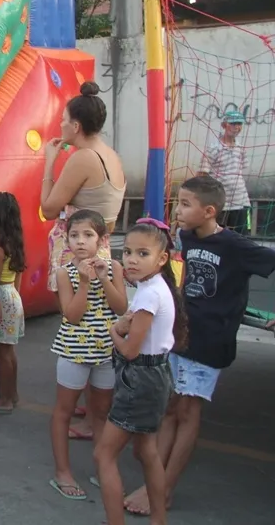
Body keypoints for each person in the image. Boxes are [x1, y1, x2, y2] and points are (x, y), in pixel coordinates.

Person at [123, 176, 275, 517]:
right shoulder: (187, 237)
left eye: (186, 204)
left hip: (212, 341)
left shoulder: (237, 246)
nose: (179, 209)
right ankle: (154, 481)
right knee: (170, 408)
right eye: (179, 202)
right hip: (184, 335)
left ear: (209, 211)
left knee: (189, 412)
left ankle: (164, 489)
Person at [42, 81, 126, 441]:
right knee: (96, 324)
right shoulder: (110, 153)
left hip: (79, 249)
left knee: (80, 326)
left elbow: (48, 208)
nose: (60, 127)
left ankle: (92, 413)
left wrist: (48, 163)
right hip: (99, 244)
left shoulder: (82, 157)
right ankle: (92, 406)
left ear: (76, 126)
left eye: (63, 121)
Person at [95, 219, 187, 525]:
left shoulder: (149, 294)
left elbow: (131, 350)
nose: (132, 259)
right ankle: (158, 519)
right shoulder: (155, 287)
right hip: (154, 375)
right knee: (146, 452)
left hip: (140, 377)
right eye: (129, 251)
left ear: (161, 259)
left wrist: (113, 331)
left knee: (104, 455)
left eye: (142, 253)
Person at [49, 209, 127, 501]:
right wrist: (84, 282)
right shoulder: (64, 272)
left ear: (102, 239)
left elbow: (120, 308)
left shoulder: (115, 268)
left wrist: (103, 279)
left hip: (107, 351)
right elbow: (71, 315)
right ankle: (62, 471)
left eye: (88, 235)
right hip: (73, 350)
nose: (80, 241)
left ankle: (103, 468)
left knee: (102, 411)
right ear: (66, 239)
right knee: (64, 411)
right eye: (74, 235)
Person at [0, 191, 27, 415]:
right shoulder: (13, 241)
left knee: (2, 353)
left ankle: (5, 400)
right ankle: (12, 394)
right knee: (9, 352)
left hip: (1, 297)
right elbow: (15, 274)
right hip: (12, 296)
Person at [198, 109, 250, 234]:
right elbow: (202, 174)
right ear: (224, 125)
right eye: (233, 124)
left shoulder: (241, 148)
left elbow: (241, 170)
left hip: (240, 200)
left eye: (239, 124)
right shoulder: (213, 148)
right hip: (220, 203)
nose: (236, 127)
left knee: (241, 237)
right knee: (218, 235)